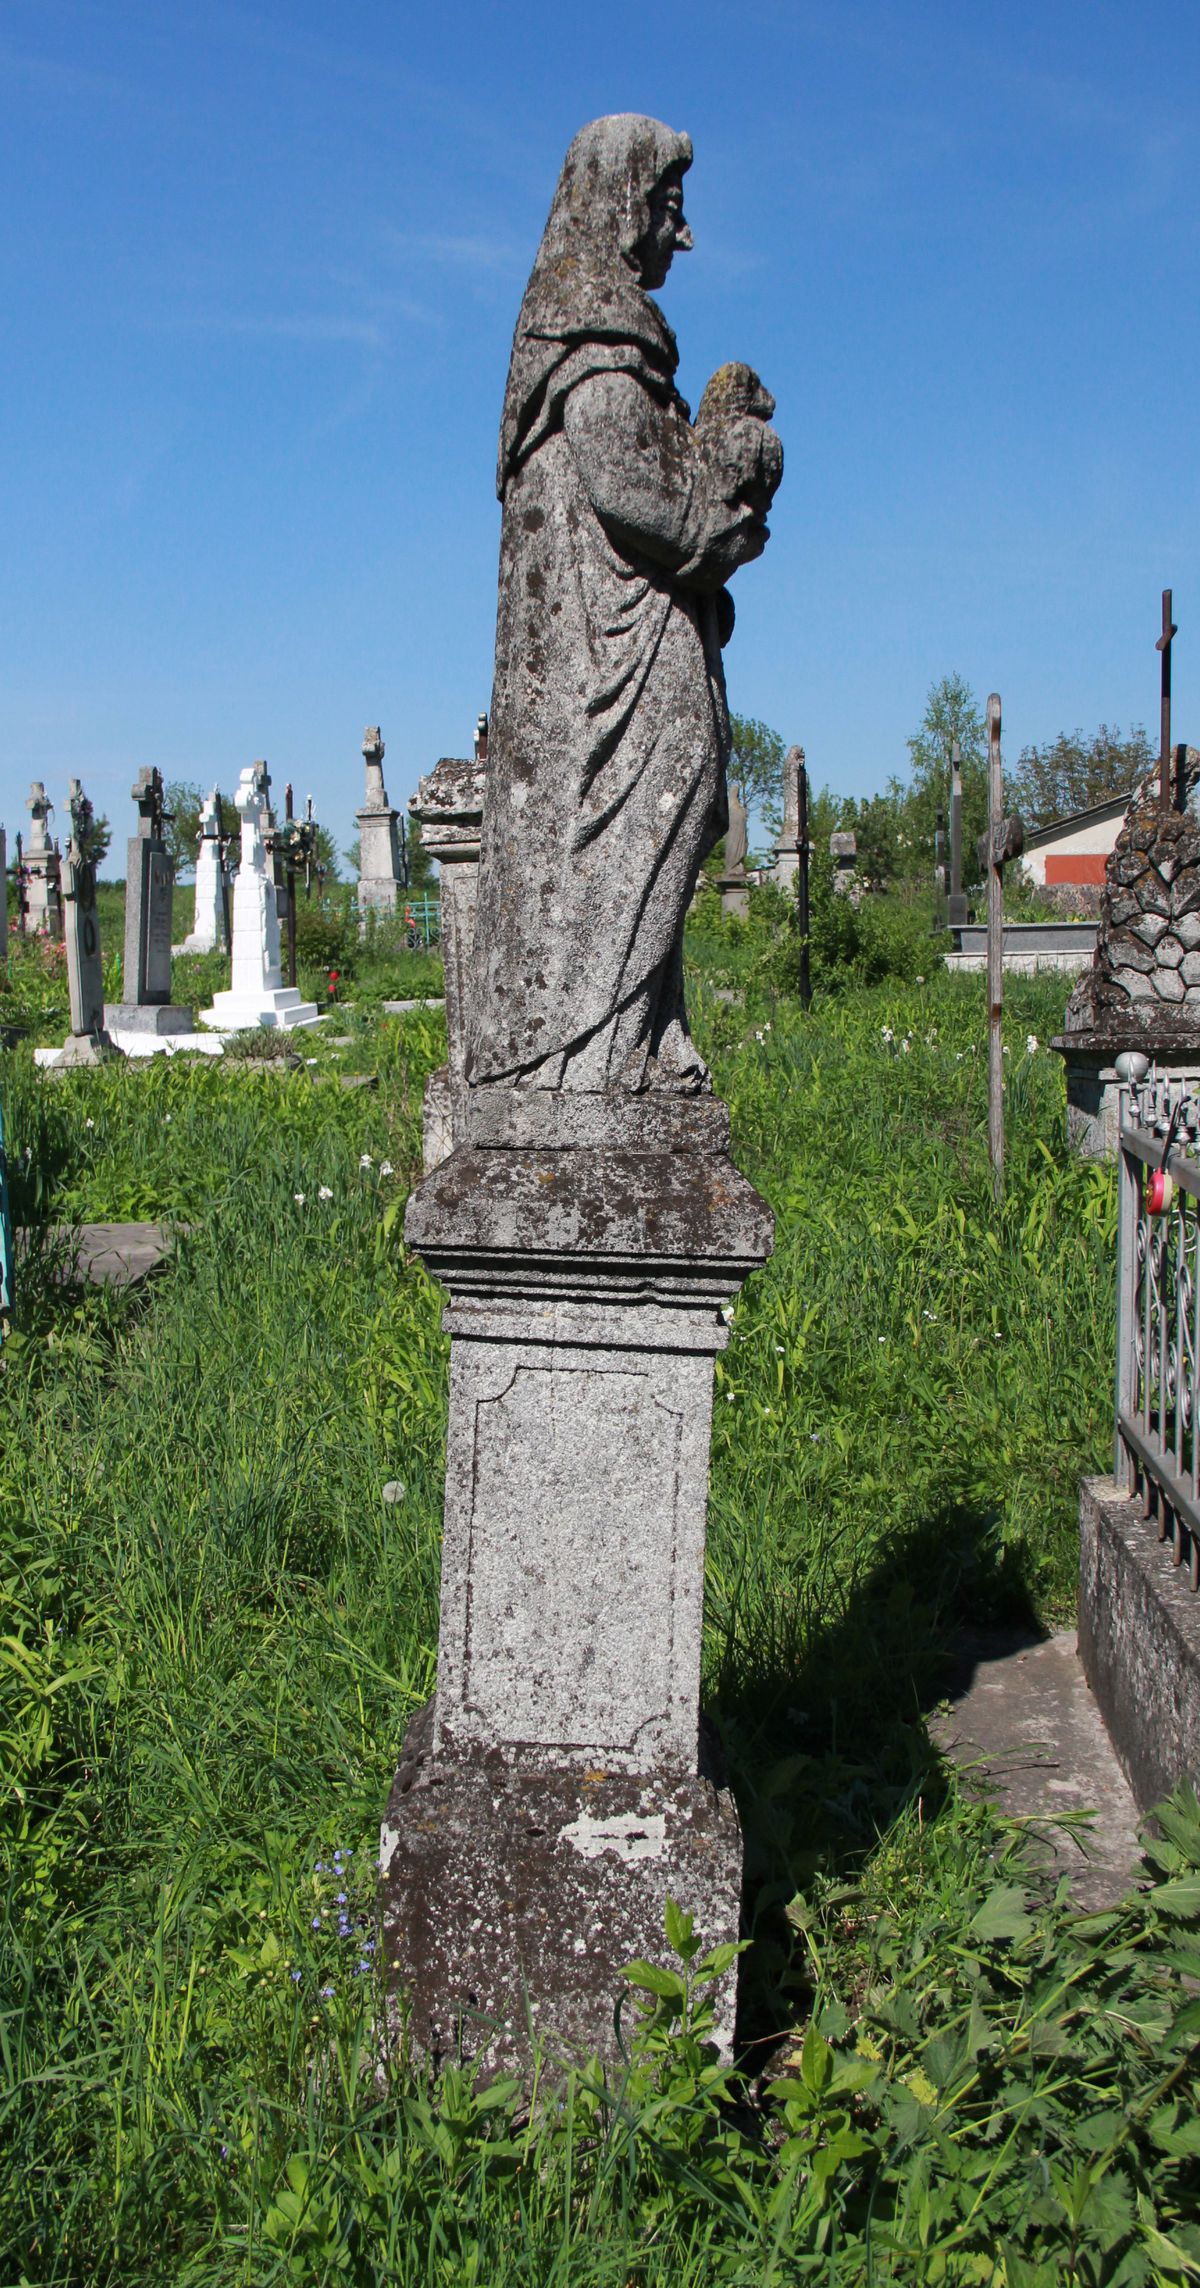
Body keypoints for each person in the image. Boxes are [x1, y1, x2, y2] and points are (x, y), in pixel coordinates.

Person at [465, 113, 781, 1097]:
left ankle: (639, 1031)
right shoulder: (587, 317)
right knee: (654, 799)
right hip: (605, 657)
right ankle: (592, 1052)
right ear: (622, 199)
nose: (681, 234)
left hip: (631, 635)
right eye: (671, 206)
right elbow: (626, 487)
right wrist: (712, 527)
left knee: (678, 802)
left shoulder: (599, 318)